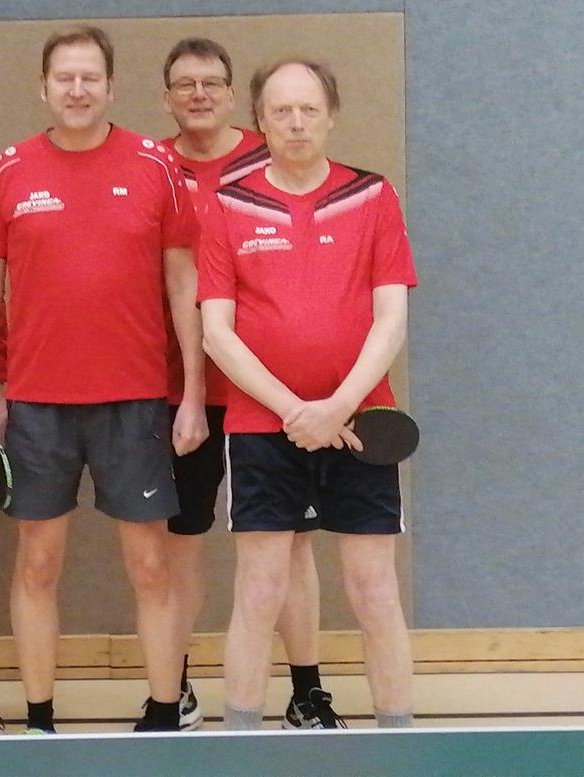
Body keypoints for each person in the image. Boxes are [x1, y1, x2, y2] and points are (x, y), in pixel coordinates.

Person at [0, 26, 201, 734]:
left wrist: (189, 392)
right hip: (37, 404)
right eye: (63, 77)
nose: (76, 89)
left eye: (89, 77)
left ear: (109, 86)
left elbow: (183, 279)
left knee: (151, 565)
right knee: (37, 563)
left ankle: (163, 712)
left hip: (136, 400)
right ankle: (40, 718)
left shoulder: (155, 165)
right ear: (43, 87)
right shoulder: (9, 171)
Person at [199, 60, 417, 730]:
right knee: (259, 590)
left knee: (374, 589)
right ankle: (239, 738)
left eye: (308, 110)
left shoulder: (373, 196)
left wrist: (336, 406)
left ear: (331, 115)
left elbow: (391, 317)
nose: (295, 123)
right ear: (259, 120)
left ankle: (399, 736)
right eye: (282, 111)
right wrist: (296, 409)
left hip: (361, 422)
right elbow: (216, 332)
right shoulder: (228, 203)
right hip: (263, 426)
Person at [158, 36, 333, 730]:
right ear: (167, 96)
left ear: (236, 98)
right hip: (181, 392)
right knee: (183, 541)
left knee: (291, 546)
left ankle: (306, 689)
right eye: (184, 84)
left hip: (270, 397)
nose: (199, 95)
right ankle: (178, 685)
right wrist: (193, 391)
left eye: (212, 83)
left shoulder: (272, 162)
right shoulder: (154, 167)